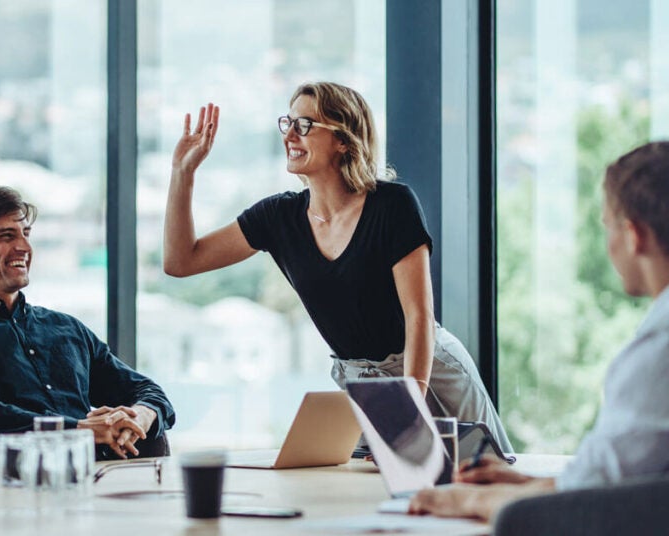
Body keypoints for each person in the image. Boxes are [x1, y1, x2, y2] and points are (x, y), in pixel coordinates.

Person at [409, 141, 669, 521]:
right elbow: (616, 477)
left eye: (608, 226)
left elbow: (585, 500)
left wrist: (464, 501)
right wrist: (522, 483)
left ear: (634, 235)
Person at [164, 81, 512, 453]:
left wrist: (410, 404)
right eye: (289, 123)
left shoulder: (392, 205)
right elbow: (181, 261)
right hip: (363, 384)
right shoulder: (277, 218)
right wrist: (183, 173)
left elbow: (419, 318)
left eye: (306, 125)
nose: (290, 136)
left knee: (487, 474)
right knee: (375, 493)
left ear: (344, 140)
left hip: (430, 372)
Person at [0, 186, 175, 460]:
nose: (24, 247)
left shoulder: (67, 329)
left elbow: (146, 390)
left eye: (26, 235)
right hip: (8, 487)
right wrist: (76, 429)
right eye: (7, 236)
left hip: (100, 480)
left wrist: (141, 416)